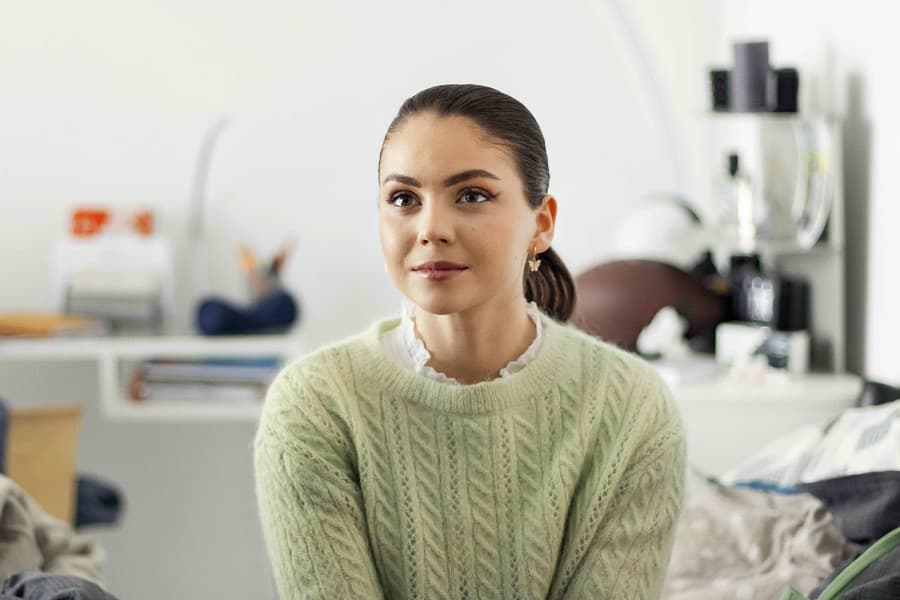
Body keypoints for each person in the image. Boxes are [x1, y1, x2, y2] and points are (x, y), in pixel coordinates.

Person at [253, 83, 687, 599]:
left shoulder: (632, 408)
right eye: (403, 199)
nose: (431, 228)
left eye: (472, 195)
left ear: (541, 225)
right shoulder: (315, 406)